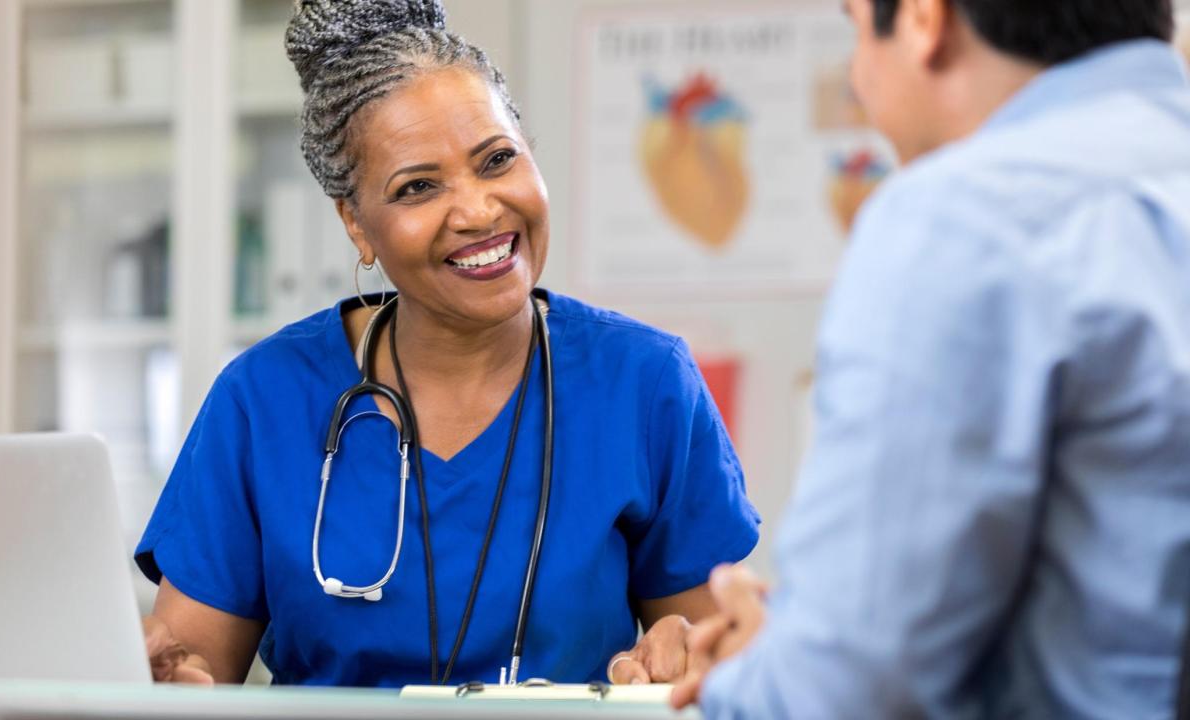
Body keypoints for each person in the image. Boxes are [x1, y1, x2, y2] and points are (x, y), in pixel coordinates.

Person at [135, 0, 760, 689]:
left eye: (497, 160)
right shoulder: (264, 399)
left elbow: (710, 667)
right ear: (356, 224)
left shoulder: (643, 384)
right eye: (419, 187)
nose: (479, 211)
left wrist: (686, 649)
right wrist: (167, 674)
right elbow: (191, 672)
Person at [673, 0, 1190, 717]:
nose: (858, 75)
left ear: (922, 19)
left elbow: (851, 694)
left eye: (854, 25)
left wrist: (756, 667)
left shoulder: (964, 219)